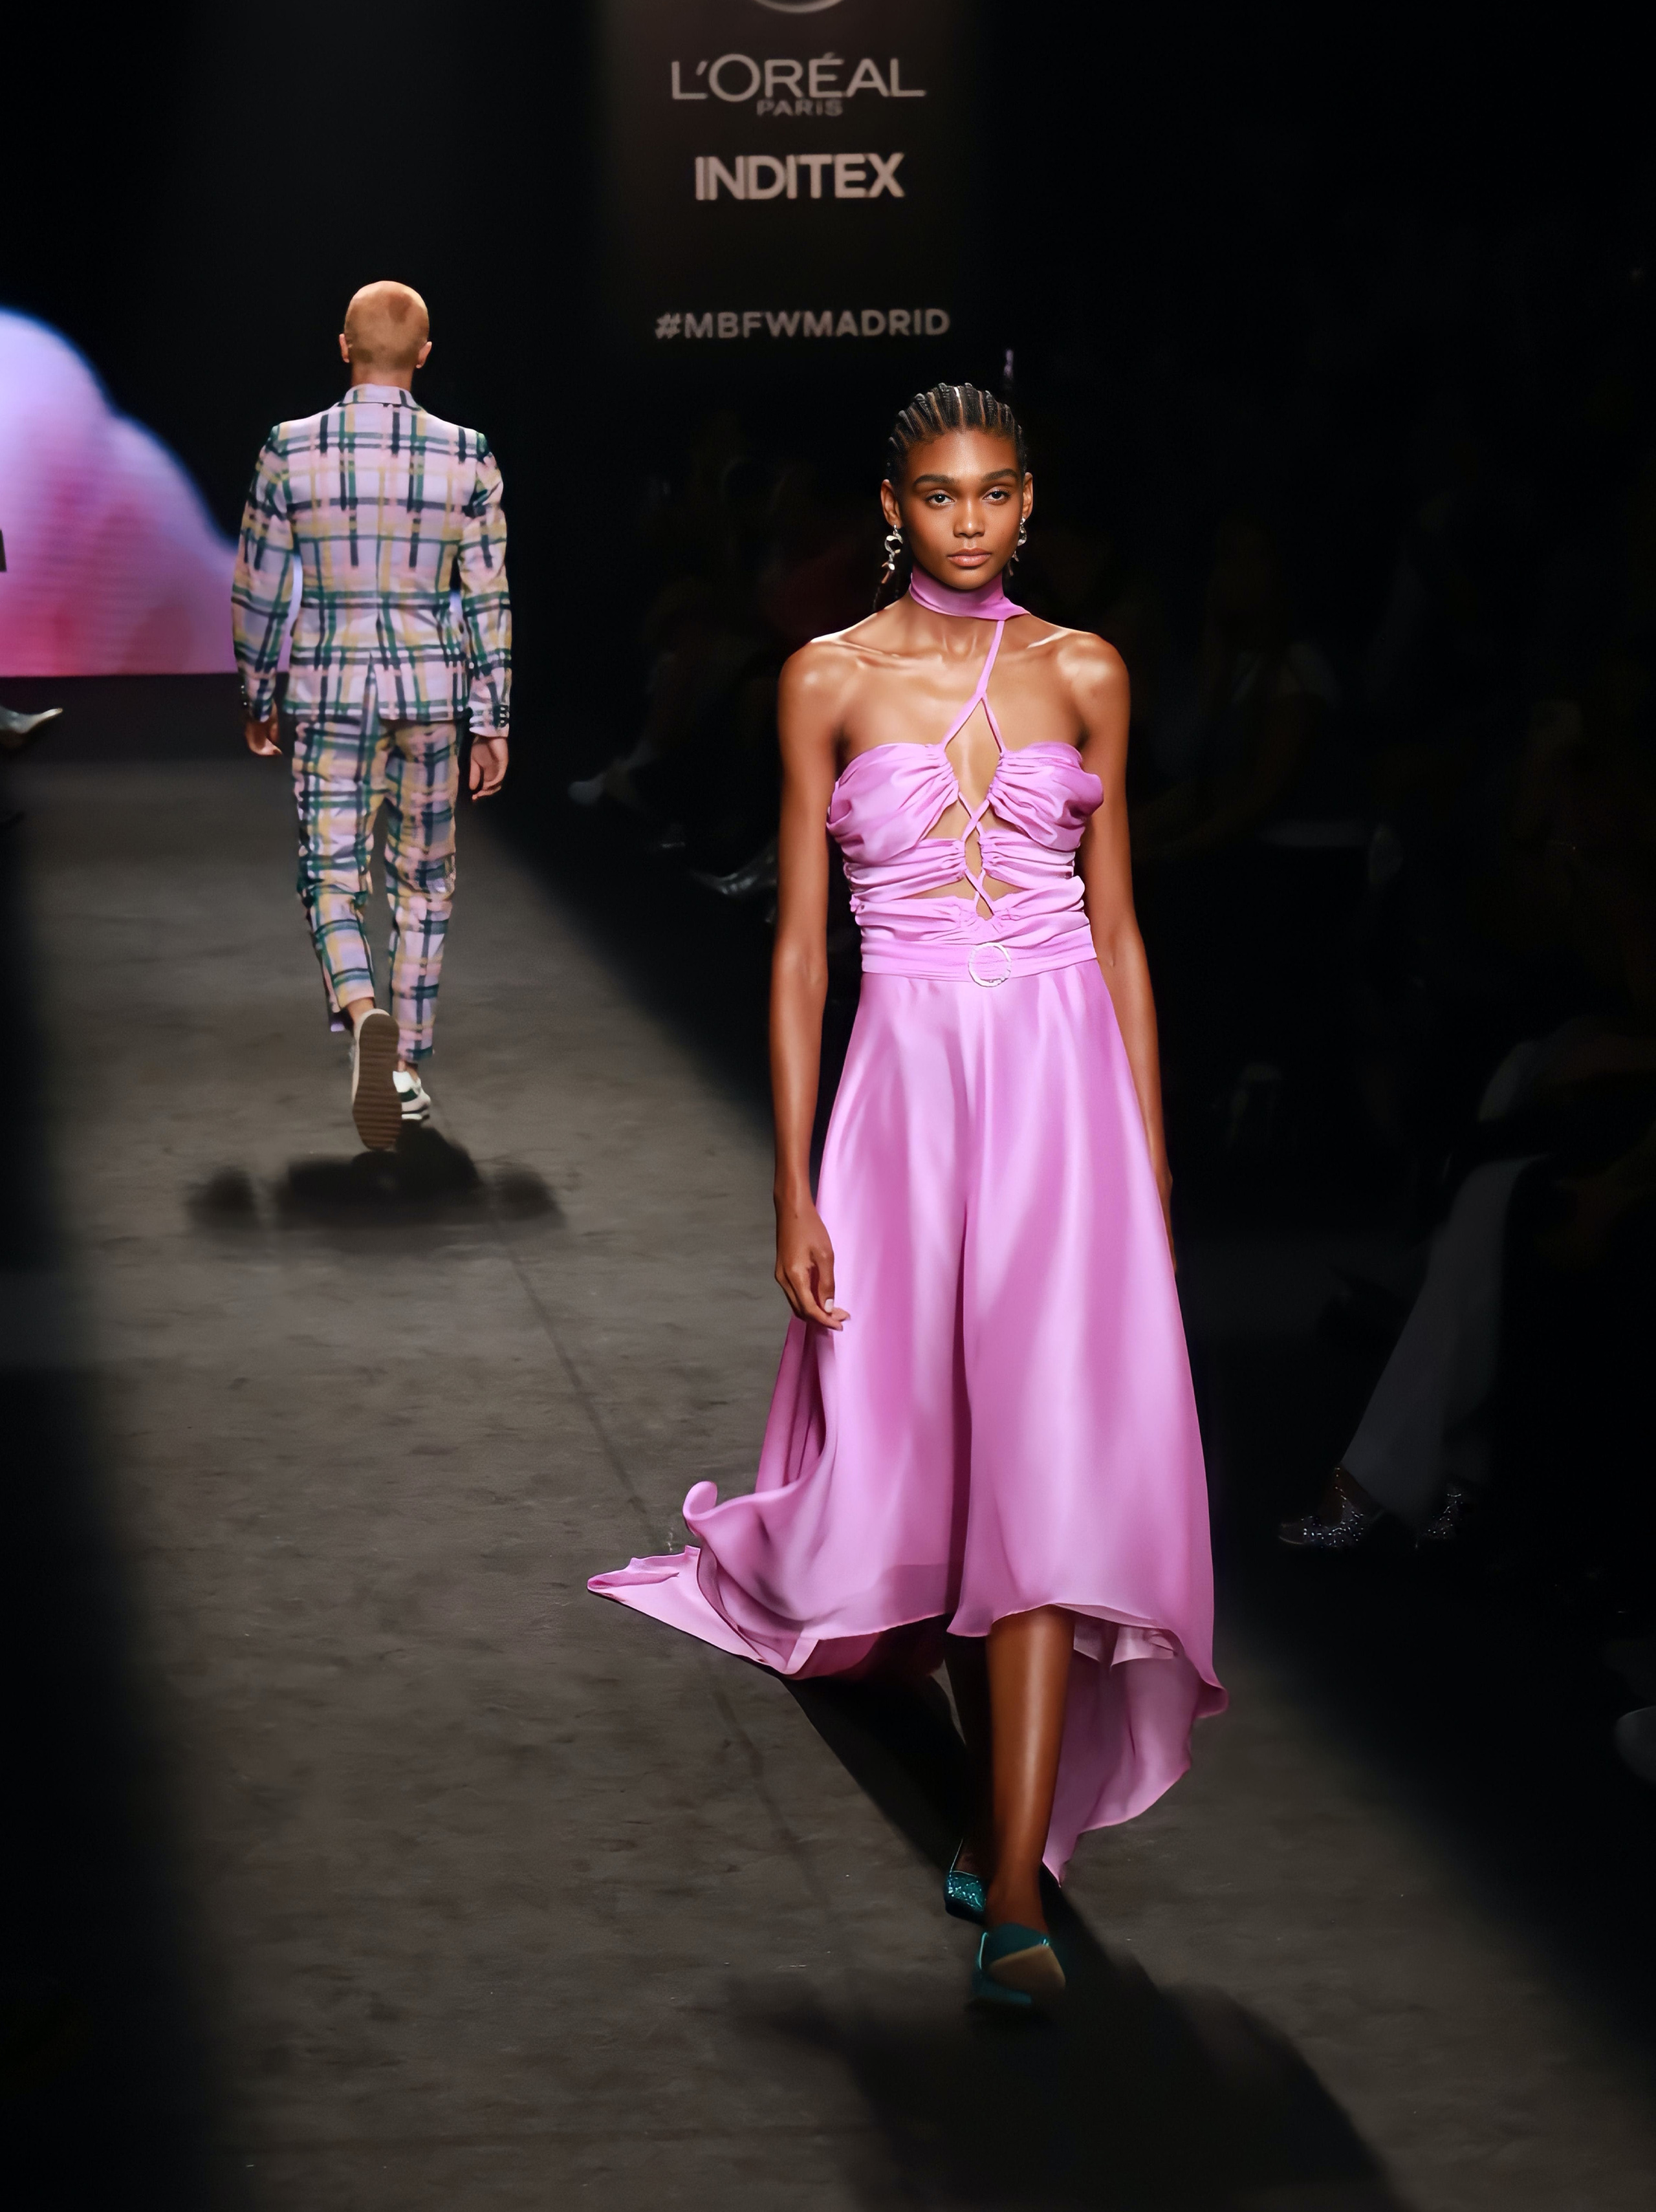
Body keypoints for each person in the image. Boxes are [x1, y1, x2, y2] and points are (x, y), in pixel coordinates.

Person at [591, 383, 1223, 2011]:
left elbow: (1118, 930)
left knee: (1043, 1463)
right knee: (939, 1447)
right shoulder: (825, 677)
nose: (969, 521)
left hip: (1062, 1093)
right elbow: (801, 953)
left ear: (1028, 501)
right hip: (903, 1091)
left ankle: (1012, 1875)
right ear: (892, 505)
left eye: (995, 492)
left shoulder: (1087, 671)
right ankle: (988, 1800)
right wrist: (790, 1185)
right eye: (939, 495)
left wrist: (1147, 1154)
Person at [231, 281, 511, 1150]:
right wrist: (493, 716)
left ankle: (364, 1018)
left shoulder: (290, 448)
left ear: (343, 345)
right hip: (431, 693)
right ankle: (406, 1066)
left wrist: (256, 691)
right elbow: (486, 597)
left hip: (329, 688)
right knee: (424, 881)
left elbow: (259, 586)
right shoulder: (468, 455)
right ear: (424, 354)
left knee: (331, 873)